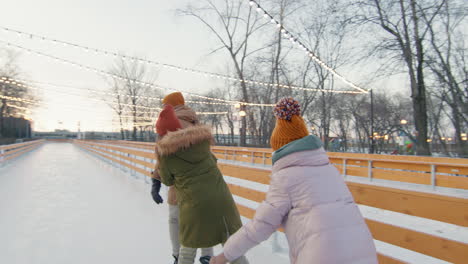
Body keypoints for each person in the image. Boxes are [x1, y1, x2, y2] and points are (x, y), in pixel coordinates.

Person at [210, 98, 378, 264]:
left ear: (280, 150)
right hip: (364, 252)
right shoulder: (330, 170)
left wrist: (224, 256)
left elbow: (260, 226)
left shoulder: (286, 178)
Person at [155, 104, 249, 264]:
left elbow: (167, 180)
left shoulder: (165, 155)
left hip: (194, 207)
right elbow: (213, 161)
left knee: (187, 250)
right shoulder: (202, 142)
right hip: (222, 201)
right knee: (232, 249)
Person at [150, 92, 213, 264]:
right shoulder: (195, 121)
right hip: (203, 179)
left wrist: (155, 181)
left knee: (176, 219)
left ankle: (178, 256)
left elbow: (164, 155)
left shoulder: (171, 122)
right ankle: (207, 254)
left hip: (181, 180)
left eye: (164, 105)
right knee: (203, 217)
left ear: (169, 106)